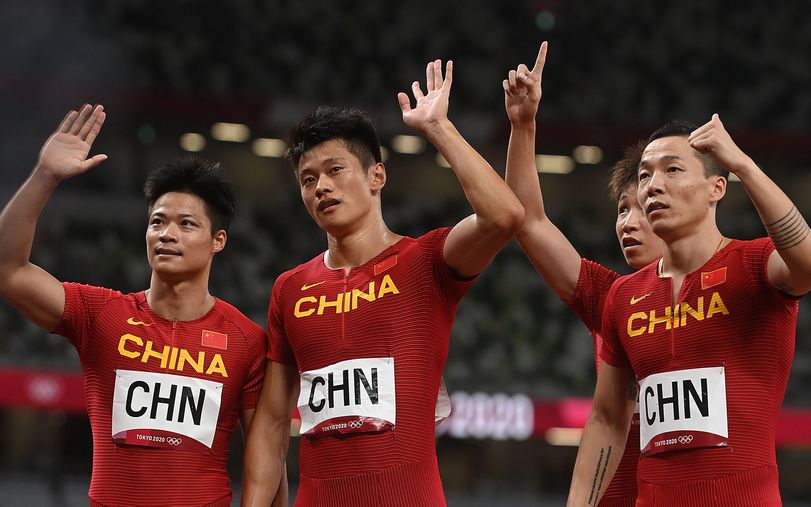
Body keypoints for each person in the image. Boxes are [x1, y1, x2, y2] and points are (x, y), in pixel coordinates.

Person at [242, 59, 525, 506]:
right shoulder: (290, 289)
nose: (320, 187)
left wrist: (438, 128)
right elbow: (273, 422)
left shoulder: (425, 261)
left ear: (377, 176)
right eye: (308, 179)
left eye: (335, 170)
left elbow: (504, 216)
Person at [0, 104, 285, 507]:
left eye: (186, 224)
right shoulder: (100, 314)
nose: (167, 234)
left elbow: (268, 452)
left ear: (218, 241)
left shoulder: (247, 341)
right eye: (157, 221)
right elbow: (8, 268)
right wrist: (45, 176)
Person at [566, 115, 811, 506]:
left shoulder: (755, 264)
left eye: (672, 170)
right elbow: (607, 421)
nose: (653, 185)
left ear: (717, 187)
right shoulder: (623, 296)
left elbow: (807, 263)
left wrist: (742, 165)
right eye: (645, 175)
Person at [502, 42, 664, 506]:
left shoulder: (729, 286)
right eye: (622, 210)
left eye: (641, 208)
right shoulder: (610, 296)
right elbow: (529, 221)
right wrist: (524, 126)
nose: (628, 222)